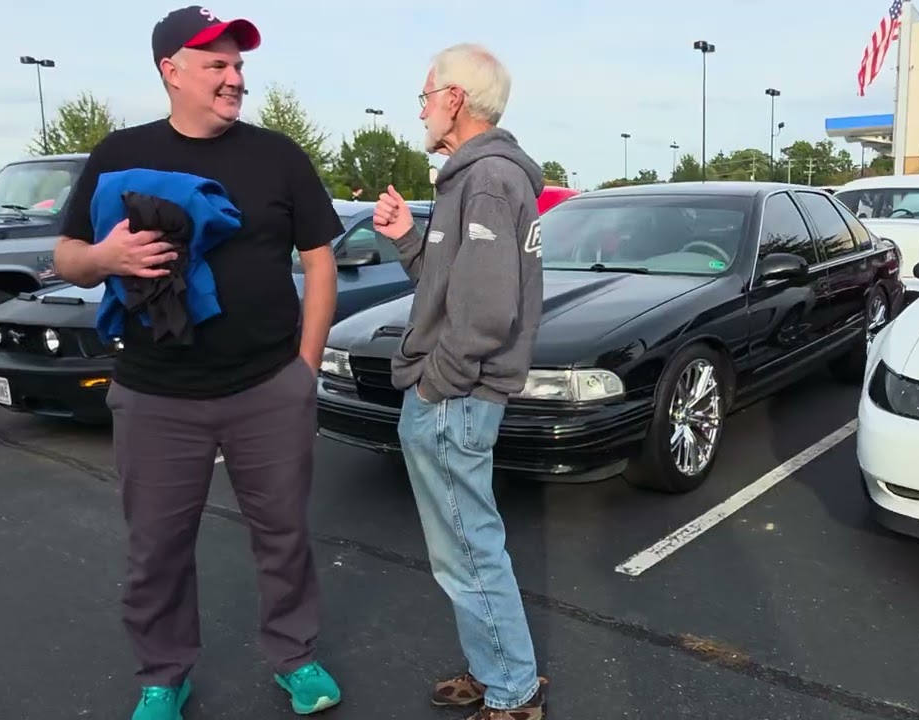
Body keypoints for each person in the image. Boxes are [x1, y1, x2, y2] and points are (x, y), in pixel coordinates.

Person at [51, 6, 342, 719]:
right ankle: (164, 674)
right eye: (217, 64)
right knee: (156, 549)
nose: (234, 77)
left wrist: (304, 367)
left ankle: (295, 656)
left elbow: (320, 259)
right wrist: (104, 257)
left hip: (268, 386)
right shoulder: (120, 154)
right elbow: (65, 256)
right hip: (156, 394)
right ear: (170, 71)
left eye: (239, 65)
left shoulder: (278, 155)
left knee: (283, 537)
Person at [371, 43, 548, 720]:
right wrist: (409, 238)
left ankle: (512, 692)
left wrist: (433, 386)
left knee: (468, 553)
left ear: (453, 99)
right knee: (466, 549)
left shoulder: (486, 180)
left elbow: (487, 314)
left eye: (424, 94)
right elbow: (450, 291)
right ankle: (498, 668)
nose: (420, 106)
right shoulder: (473, 180)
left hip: (456, 399)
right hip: (457, 395)